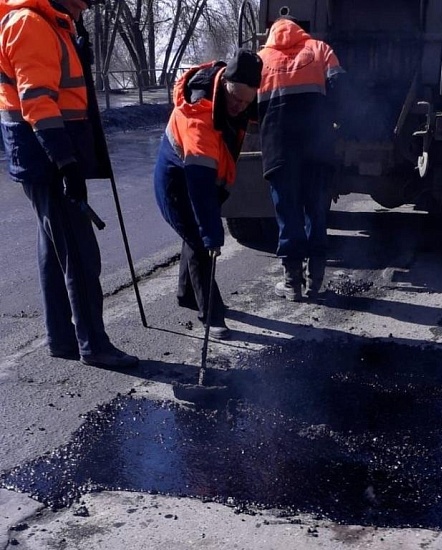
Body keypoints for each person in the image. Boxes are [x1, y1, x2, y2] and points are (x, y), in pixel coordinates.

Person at [0, 0, 139, 368]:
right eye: (83, 3)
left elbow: (62, 89)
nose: (87, 8)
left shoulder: (53, 24)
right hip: (47, 157)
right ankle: (94, 343)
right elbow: (37, 101)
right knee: (80, 253)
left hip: (47, 155)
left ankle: (61, 338)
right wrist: (66, 163)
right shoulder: (30, 23)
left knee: (54, 250)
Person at [154, 49, 262, 340]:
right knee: (202, 242)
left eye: (246, 101)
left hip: (207, 179)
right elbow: (199, 189)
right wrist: (214, 233)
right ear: (223, 83)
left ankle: (187, 295)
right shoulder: (198, 118)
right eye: (235, 99)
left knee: (195, 236)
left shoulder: (238, 99)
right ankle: (213, 316)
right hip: (178, 184)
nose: (239, 107)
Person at [257, 15, 345, 301]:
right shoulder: (320, 49)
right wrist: (331, 121)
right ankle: (316, 279)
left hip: (279, 149)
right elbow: (340, 88)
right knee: (316, 211)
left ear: (271, 33)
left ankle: (292, 282)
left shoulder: (260, 60)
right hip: (316, 148)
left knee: (288, 214)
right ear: (300, 31)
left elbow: (244, 104)